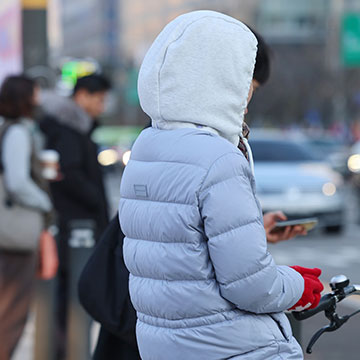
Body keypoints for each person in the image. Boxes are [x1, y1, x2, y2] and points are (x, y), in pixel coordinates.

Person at [79, 26, 304, 359]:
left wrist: (249, 231)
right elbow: (251, 285)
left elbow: (181, 228)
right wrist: (300, 285)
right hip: (212, 339)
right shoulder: (216, 154)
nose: (247, 99)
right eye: (246, 83)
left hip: (156, 331)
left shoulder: (149, 142)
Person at [38, 74, 111, 358]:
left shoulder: (72, 128)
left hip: (75, 226)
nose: (102, 107)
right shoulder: (68, 131)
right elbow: (69, 175)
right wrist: (94, 201)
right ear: (81, 96)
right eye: (99, 99)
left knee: (69, 299)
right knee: (70, 298)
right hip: (75, 228)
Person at [0, 75, 58, 360]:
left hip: (10, 233)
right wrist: (45, 201)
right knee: (11, 313)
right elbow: (18, 182)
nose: (39, 100)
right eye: (35, 94)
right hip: (14, 234)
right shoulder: (17, 132)